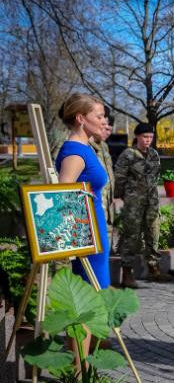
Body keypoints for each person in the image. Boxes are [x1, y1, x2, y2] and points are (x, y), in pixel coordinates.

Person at [55, 93, 110, 368]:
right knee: (85, 303)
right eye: (99, 116)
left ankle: (83, 366)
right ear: (80, 118)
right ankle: (80, 371)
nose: (104, 121)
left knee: (92, 301)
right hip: (86, 237)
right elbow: (63, 196)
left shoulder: (87, 148)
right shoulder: (75, 152)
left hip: (96, 235)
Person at [114, 123, 167, 287]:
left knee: (153, 233)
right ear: (137, 136)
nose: (148, 140)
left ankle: (153, 267)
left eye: (150, 137)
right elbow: (120, 177)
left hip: (152, 202)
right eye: (145, 137)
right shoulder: (128, 155)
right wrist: (121, 195)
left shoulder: (153, 154)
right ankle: (127, 272)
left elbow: (155, 177)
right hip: (133, 203)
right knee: (131, 236)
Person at [90, 117, 115, 226]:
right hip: (94, 204)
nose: (107, 132)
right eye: (104, 128)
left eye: (109, 130)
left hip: (107, 203)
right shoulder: (86, 146)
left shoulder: (104, 146)